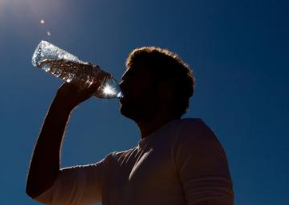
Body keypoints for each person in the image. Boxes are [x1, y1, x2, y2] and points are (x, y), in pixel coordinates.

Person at [26, 47, 234, 205]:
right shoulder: (114, 165)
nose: (122, 84)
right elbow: (43, 189)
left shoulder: (190, 134)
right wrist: (61, 106)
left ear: (166, 89)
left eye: (133, 76)